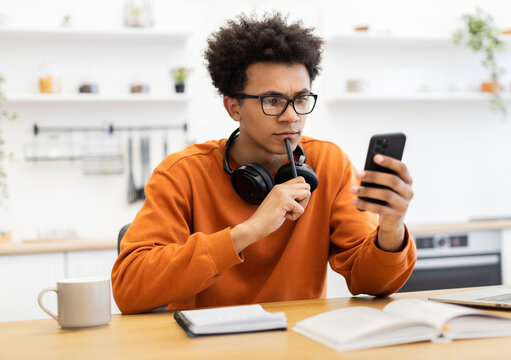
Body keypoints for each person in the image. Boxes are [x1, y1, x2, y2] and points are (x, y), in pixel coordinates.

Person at [111, 13, 416, 314]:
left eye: (301, 99)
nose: (291, 116)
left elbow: (372, 282)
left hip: (298, 343)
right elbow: (130, 289)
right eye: (272, 101)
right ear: (234, 107)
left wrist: (391, 228)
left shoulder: (330, 164)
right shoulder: (182, 173)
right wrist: (250, 230)